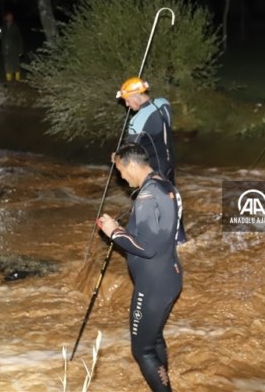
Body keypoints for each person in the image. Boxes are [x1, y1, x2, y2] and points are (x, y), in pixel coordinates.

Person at [97, 143, 183, 392]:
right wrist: (124, 229)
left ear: (130, 165)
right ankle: (165, 382)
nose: (121, 177)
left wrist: (113, 231)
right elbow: (158, 233)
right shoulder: (163, 183)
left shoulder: (146, 197)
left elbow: (146, 248)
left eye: (121, 171)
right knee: (154, 337)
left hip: (152, 285)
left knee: (142, 350)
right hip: (170, 276)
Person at [117, 76, 187, 244]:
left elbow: (130, 151)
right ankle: (181, 239)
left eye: (127, 100)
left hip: (154, 169)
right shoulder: (164, 103)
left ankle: (149, 243)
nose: (127, 105)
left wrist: (116, 157)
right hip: (170, 162)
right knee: (171, 199)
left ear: (136, 96)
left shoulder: (138, 120)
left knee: (151, 205)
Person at [0, 10, 24, 82]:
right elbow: (0, 38)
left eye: (10, 17)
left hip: (14, 49)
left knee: (16, 64)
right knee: (7, 64)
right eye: (8, 17)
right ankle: (9, 80)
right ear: (5, 18)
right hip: (6, 50)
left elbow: (19, 38)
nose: (9, 18)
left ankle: (17, 80)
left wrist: (20, 50)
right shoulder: (3, 27)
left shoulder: (15, 26)